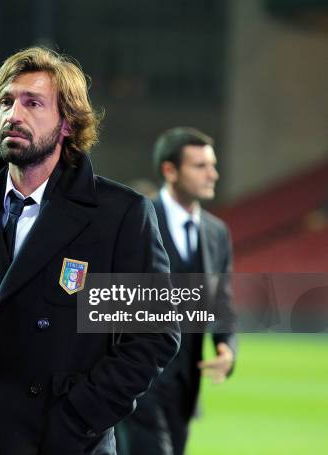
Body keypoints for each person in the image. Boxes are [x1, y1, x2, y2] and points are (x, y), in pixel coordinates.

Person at [0, 46, 180, 455]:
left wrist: (77, 418)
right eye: (5, 102)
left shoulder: (119, 213)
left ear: (66, 123)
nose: (14, 114)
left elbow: (153, 336)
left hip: (67, 443)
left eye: (33, 103)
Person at [115, 127, 237, 455]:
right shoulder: (135, 218)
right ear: (170, 170)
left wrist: (226, 346)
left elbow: (220, 297)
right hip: (139, 381)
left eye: (212, 164)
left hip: (186, 384)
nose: (213, 174)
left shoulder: (216, 232)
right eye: (200, 166)